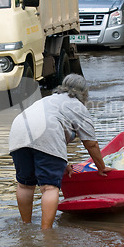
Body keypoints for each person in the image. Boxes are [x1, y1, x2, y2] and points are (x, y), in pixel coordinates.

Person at [9, 74, 113, 229]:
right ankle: (46, 233)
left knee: (25, 185)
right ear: (84, 93)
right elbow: (91, 144)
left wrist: (63, 164)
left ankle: (26, 227)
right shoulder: (77, 106)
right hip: (45, 132)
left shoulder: (47, 100)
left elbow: (49, 140)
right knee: (49, 188)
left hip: (18, 130)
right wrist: (101, 167)